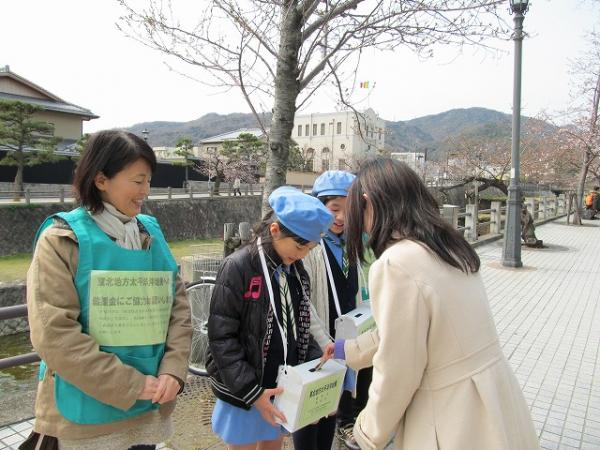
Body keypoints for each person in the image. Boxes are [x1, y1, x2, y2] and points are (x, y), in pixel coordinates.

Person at [325, 158, 539, 450]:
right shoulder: (448, 245)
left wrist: (367, 434)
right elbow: (407, 336)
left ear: (367, 202)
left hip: (450, 413)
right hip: (492, 398)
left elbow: (398, 365)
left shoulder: (396, 262)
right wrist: (345, 350)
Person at [22, 130, 192, 450]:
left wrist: (173, 371)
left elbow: (178, 307)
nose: (146, 191)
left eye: (148, 181)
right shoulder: (62, 240)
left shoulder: (149, 233)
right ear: (101, 180)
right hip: (86, 418)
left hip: (150, 402)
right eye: (138, 180)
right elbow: (54, 334)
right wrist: (131, 385)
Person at [206, 186, 334, 450]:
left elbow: (300, 327)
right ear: (274, 230)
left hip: (280, 387)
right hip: (245, 390)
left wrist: (315, 374)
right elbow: (221, 337)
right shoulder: (238, 266)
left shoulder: (296, 271)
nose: (302, 255)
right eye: (300, 245)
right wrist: (252, 392)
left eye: (309, 249)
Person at [294, 170, 368, 450]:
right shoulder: (311, 246)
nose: (341, 218)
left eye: (348, 211)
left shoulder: (350, 244)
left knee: (331, 409)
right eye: (334, 209)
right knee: (310, 415)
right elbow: (304, 302)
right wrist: (326, 343)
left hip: (343, 343)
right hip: (317, 347)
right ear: (319, 206)